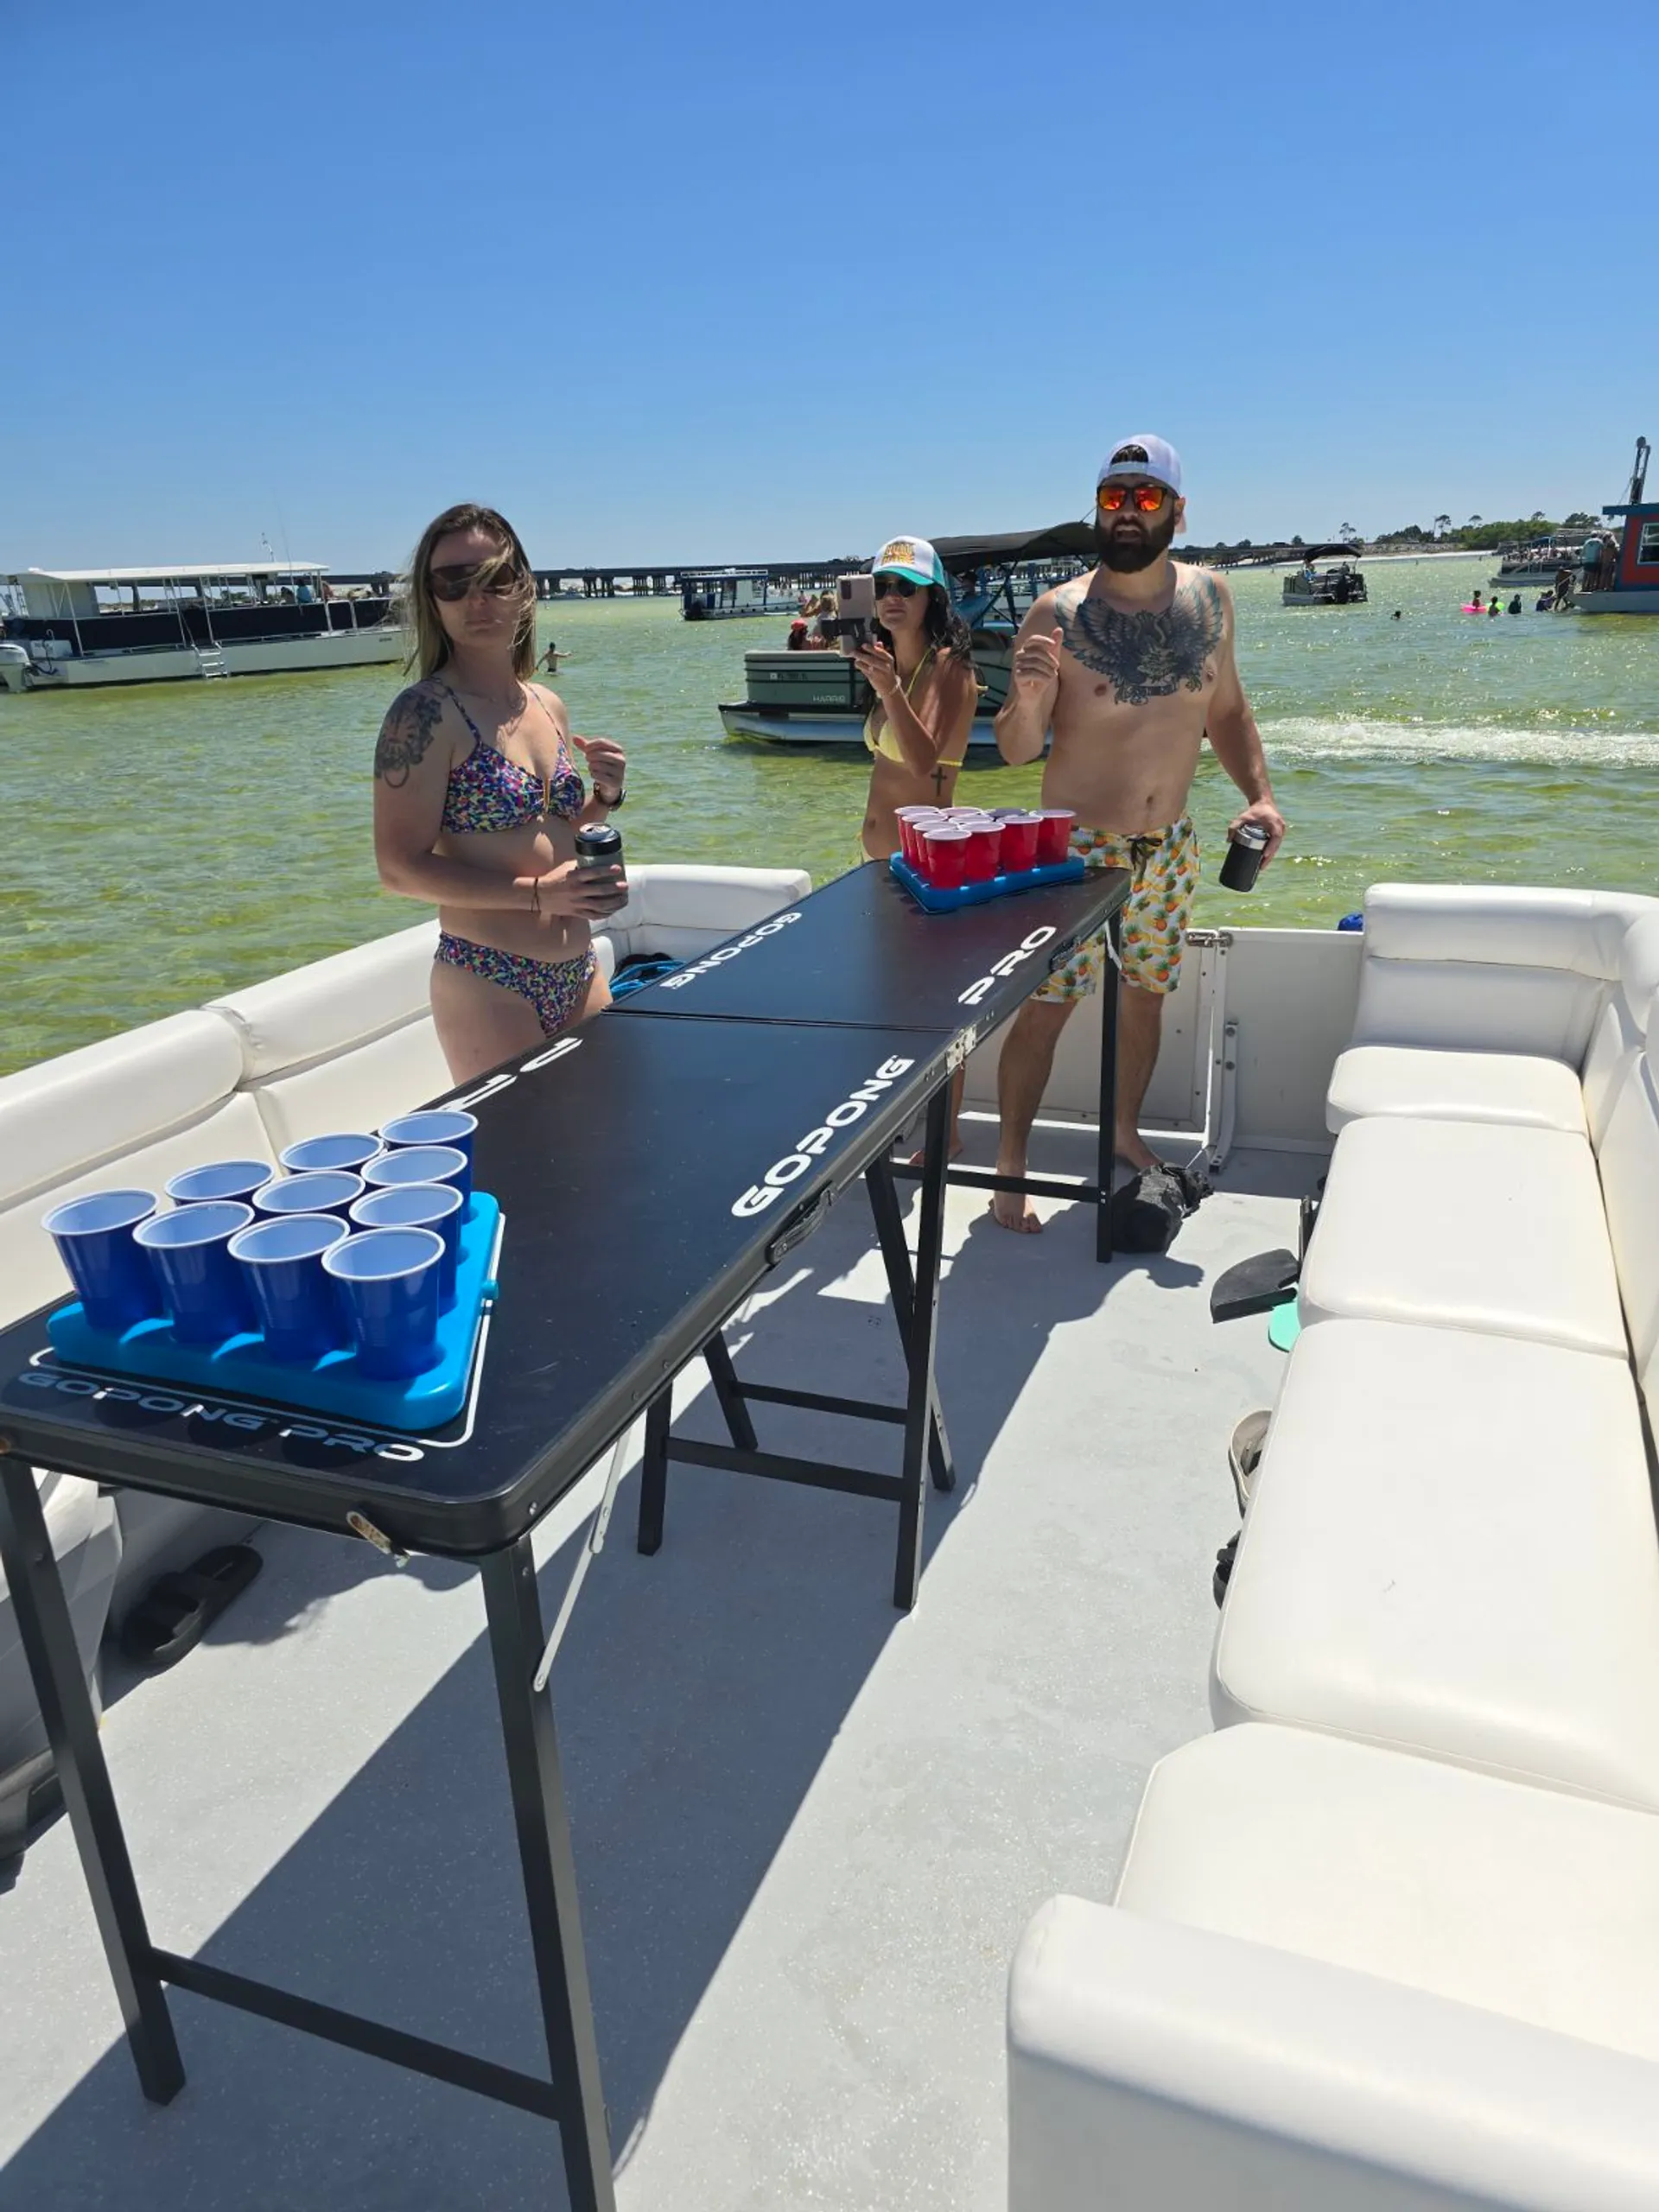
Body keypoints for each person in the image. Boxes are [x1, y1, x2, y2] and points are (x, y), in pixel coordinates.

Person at [990, 435, 1283, 1234]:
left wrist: (1259, 796)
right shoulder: (1057, 611)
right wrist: (1026, 698)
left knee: (1146, 998)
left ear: (1177, 512)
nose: (1126, 512)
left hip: (1171, 847)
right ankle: (1009, 1170)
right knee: (1047, 1006)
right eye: (1113, 497)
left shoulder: (1212, 599)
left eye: (1145, 498)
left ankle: (1122, 1132)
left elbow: (1226, 710)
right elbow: (1017, 750)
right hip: (1076, 853)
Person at [373, 502, 628, 1084]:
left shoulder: (546, 704)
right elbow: (398, 869)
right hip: (490, 978)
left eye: (495, 580)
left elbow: (556, 835)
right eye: (453, 583)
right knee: (531, 1168)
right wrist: (540, 895)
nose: (477, 600)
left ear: (524, 589)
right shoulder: (423, 715)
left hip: (579, 968)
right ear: (431, 599)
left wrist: (605, 798)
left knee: (611, 1151)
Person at [855, 536, 977, 859]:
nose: (892, 597)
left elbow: (922, 763)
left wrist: (891, 690)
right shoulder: (889, 665)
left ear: (932, 597)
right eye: (881, 587)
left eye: (906, 587)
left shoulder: (949, 665)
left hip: (921, 863)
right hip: (876, 860)